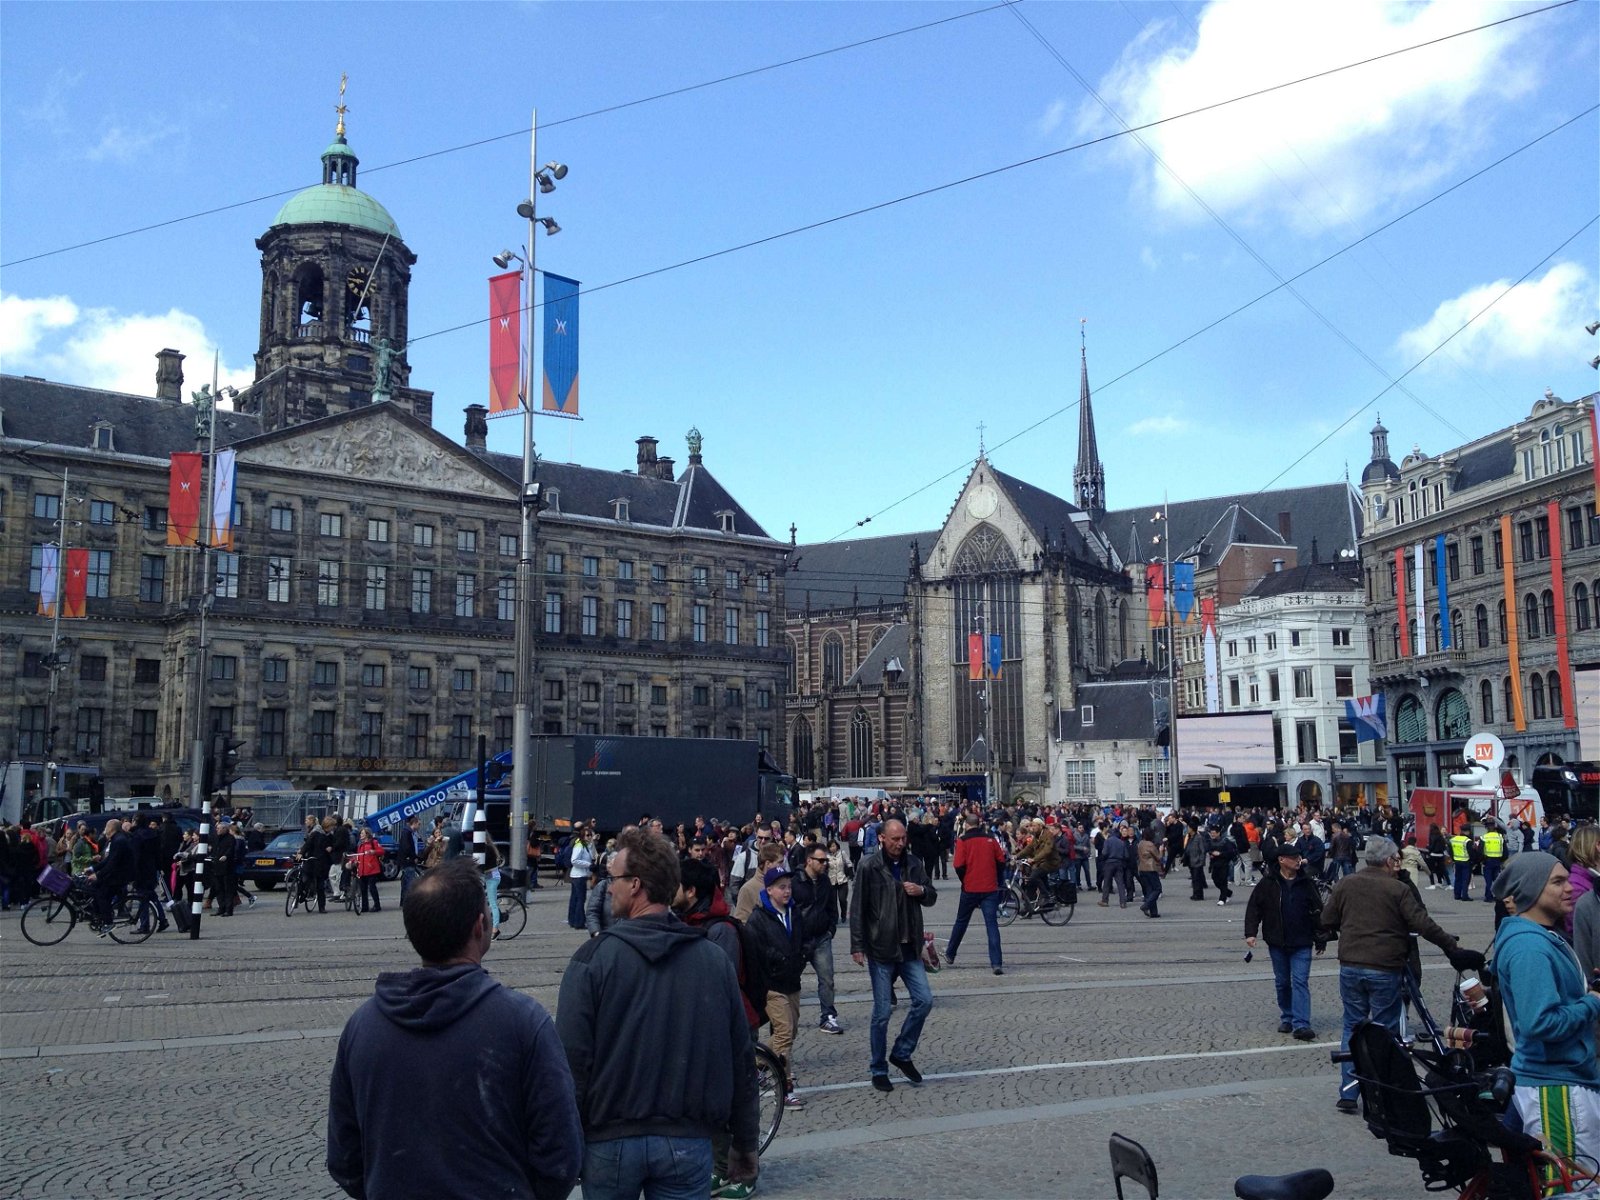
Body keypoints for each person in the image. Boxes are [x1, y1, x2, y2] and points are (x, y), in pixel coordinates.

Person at [327, 858, 582, 1200]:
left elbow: (344, 1158)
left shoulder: (362, 1026)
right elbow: (561, 1155)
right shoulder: (524, 1022)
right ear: (481, 926)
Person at [556, 827, 759, 1199]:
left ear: (635, 885)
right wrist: (745, 1142)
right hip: (687, 1142)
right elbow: (739, 1059)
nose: (606, 885)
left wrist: (561, 1148)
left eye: (612, 877)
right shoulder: (713, 962)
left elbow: (570, 1065)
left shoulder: (591, 961)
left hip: (609, 1143)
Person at [1319, 836, 1485, 1114]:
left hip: (1350, 965)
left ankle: (1349, 1090)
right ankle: (1386, 1091)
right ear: (1389, 861)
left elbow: (1327, 919)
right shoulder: (1397, 890)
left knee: (1352, 1025)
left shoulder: (1346, 884)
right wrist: (1452, 947)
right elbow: (1423, 923)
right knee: (1385, 1031)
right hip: (1384, 966)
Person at [1490, 852, 1600, 1166]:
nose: (1570, 888)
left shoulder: (1541, 938)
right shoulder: (1531, 947)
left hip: (1559, 1081)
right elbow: (1541, 1024)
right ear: (1532, 891)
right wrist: (1592, 1001)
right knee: (1571, 1190)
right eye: (1557, 882)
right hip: (1556, 1089)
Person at [849, 818, 937, 1094]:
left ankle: (901, 1052)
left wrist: (921, 890)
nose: (900, 844)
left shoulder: (914, 864)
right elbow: (857, 908)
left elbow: (931, 896)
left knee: (924, 1000)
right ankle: (878, 1068)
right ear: (882, 839)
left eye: (903, 839)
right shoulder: (868, 866)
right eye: (895, 839)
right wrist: (857, 945)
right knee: (882, 1012)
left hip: (910, 947)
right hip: (881, 948)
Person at [1243, 843, 1325, 1039]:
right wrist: (1251, 933)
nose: (1298, 860)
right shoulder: (1268, 883)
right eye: (1294, 857)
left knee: (1300, 981)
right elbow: (1254, 908)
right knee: (1282, 982)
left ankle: (1301, 1023)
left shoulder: (1306, 883)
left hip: (1302, 941)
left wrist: (1321, 938)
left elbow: (1318, 911)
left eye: (1299, 857)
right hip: (1277, 941)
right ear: (1282, 860)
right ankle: (1287, 1017)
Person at [748, 865, 809, 1109]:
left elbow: (803, 940)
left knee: (790, 1032)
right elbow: (756, 950)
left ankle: (753, 1064)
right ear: (770, 890)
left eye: (789, 886)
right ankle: (785, 1087)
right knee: (783, 1033)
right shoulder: (758, 917)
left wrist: (803, 955)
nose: (787, 891)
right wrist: (775, 959)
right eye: (782, 887)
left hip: (792, 981)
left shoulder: (794, 912)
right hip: (772, 984)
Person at [793, 840, 842, 1036]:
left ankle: (828, 1016)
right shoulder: (794, 882)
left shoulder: (825, 882)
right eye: (820, 861)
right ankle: (789, 1018)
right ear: (809, 860)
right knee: (792, 980)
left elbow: (832, 908)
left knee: (827, 978)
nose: (824, 864)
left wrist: (830, 930)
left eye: (826, 861)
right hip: (799, 939)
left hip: (822, 937)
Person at [946, 815, 1006, 974]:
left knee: (961, 922)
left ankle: (950, 954)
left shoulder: (963, 841)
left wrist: (964, 879)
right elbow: (1001, 861)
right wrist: (996, 878)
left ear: (966, 825)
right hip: (989, 888)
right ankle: (996, 963)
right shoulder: (991, 839)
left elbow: (958, 865)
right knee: (992, 925)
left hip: (970, 887)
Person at [566, 827, 594, 930]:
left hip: (579, 875)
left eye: (590, 835)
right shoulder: (580, 846)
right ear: (582, 836)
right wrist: (588, 865)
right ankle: (579, 922)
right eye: (587, 835)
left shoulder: (585, 845)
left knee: (575, 898)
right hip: (579, 875)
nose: (589, 837)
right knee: (580, 899)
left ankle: (573, 920)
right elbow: (574, 860)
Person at [352, 827, 384, 913]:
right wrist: (353, 861)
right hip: (362, 869)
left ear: (367, 834)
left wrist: (373, 852)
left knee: (372, 887)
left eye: (362, 833)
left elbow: (381, 851)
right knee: (363, 888)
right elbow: (358, 855)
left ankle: (377, 905)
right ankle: (365, 906)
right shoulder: (360, 845)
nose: (360, 835)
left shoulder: (374, 842)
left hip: (372, 869)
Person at [1136, 828, 1164, 919]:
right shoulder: (1150, 845)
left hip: (1142, 868)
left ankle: (1153, 912)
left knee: (1149, 890)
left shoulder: (1140, 844)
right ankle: (1146, 905)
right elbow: (1158, 858)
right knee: (1157, 889)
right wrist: (1161, 850)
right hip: (1150, 868)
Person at [1480, 818, 1508, 905]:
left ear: (1487, 827)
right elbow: (1505, 851)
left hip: (1488, 861)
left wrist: (1482, 860)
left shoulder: (1484, 837)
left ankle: (1488, 897)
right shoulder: (1500, 837)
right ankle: (1497, 896)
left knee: (1488, 880)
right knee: (1496, 880)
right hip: (1497, 861)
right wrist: (1503, 860)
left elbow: (1480, 850)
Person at [394, 814, 422, 903]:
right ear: (414, 823)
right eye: (419, 824)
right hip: (408, 860)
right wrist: (413, 857)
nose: (419, 826)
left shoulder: (407, 832)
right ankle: (410, 901)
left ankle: (404, 901)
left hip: (405, 860)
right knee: (410, 881)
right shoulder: (408, 833)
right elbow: (407, 847)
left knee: (405, 881)